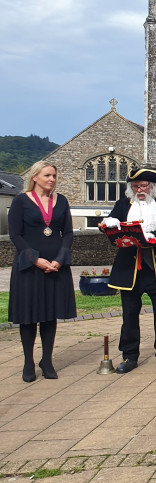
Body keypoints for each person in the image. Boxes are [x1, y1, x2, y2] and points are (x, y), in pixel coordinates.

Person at [103, 169, 156, 374]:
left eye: (144, 185)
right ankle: (129, 356)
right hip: (130, 270)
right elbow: (113, 228)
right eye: (135, 186)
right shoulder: (122, 205)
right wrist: (111, 226)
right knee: (129, 316)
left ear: (152, 187)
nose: (139, 190)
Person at [8, 161, 76, 382]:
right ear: (35, 177)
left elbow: (67, 233)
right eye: (47, 175)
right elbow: (16, 235)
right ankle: (28, 361)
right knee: (29, 316)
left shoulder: (61, 201)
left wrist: (59, 259)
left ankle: (46, 360)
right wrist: (35, 259)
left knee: (49, 315)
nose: (52, 179)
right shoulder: (20, 201)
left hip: (55, 266)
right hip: (29, 266)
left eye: (54, 175)